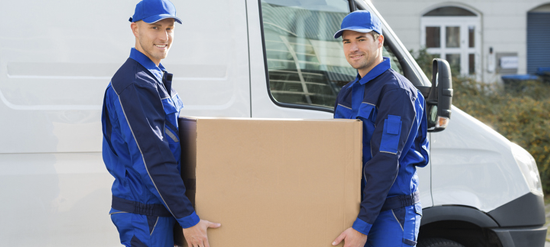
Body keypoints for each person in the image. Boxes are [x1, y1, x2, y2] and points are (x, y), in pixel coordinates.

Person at [101, 0, 220, 246]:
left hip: (155, 211)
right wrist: (188, 219)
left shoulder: (152, 77)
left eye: (169, 28)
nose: (164, 36)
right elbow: (152, 158)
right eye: (155, 27)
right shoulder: (134, 84)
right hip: (145, 214)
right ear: (135, 29)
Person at [331, 10, 429, 247]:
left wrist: (361, 226)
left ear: (379, 40)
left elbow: (385, 161)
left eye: (361, 39)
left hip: (390, 214)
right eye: (347, 41)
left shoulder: (396, 92)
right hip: (354, 210)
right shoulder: (346, 93)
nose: (353, 47)